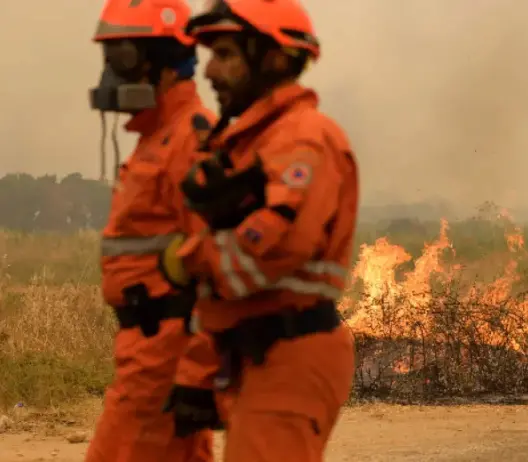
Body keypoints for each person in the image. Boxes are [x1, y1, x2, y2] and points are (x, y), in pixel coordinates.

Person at [158, 0, 358, 459]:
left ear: (273, 58)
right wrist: (196, 374)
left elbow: (271, 252)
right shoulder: (254, 146)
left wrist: (188, 258)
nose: (209, 71)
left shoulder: (304, 139)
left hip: (291, 357)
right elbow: (226, 294)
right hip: (254, 356)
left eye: (226, 54)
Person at [85, 0, 224, 460]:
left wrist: (198, 371)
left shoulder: (190, 137)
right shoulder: (156, 138)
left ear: (160, 60)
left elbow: (215, 263)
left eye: (120, 56)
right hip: (147, 353)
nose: (112, 73)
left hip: (165, 355)